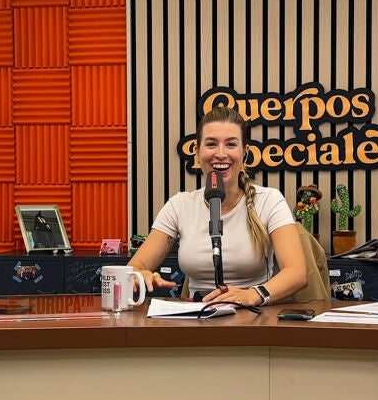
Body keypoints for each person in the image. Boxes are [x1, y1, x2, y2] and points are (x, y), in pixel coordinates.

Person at [128, 107, 307, 306]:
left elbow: (297, 273)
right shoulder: (179, 206)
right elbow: (135, 266)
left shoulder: (269, 201)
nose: (221, 154)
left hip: (254, 314)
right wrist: (138, 274)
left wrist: (252, 295)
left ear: (245, 152)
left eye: (231, 144)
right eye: (211, 144)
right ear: (197, 152)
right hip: (196, 316)